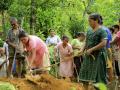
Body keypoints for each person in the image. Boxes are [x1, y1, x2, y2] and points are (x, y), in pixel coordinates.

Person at [79, 13, 108, 88]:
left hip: (98, 56)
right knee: (85, 76)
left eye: (90, 21)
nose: (89, 23)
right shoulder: (89, 30)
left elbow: (104, 43)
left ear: (96, 21)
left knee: (98, 78)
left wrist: (92, 49)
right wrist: (82, 49)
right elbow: (86, 41)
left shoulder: (102, 30)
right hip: (88, 56)